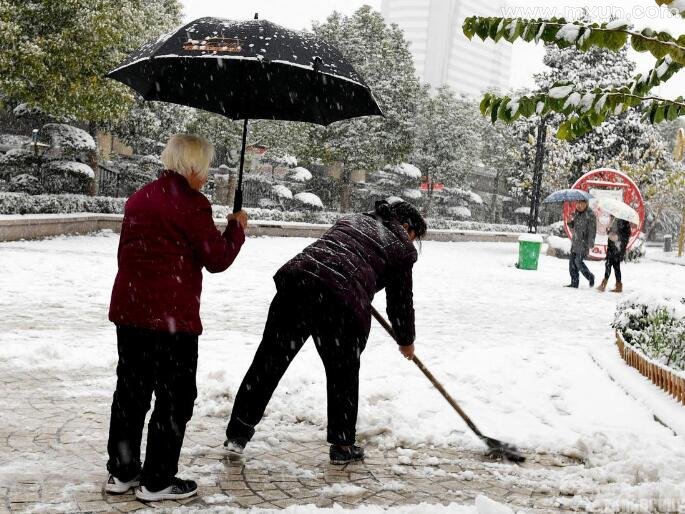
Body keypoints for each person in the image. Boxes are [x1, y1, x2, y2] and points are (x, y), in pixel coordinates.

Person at [224, 200, 427, 464]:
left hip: (298, 282)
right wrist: (406, 340)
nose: (411, 242)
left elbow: (340, 254)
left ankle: (237, 434)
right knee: (343, 372)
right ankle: (342, 445)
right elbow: (400, 301)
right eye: (414, 236)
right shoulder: (401, 246)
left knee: (269, 361)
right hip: (341, 301)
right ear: (407, 227)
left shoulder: (354, 219)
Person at [105, 134, 248, 501]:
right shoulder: (190, 204)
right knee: (174, 398)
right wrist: (236, 229)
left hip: (131, 311)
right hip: (171, 320)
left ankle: (122, 472)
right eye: (206, 168)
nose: (207, 175)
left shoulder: (140, 197)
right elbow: (216, 259)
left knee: (131, 393)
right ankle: (157, 481)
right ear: (194, 166)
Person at [566, 200, 597, 288]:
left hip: (584, 243)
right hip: (575, 241)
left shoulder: (590, 215)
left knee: (578, 261)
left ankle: (590, 276)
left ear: (586, 204)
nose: (579, 205)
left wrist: (591, 243)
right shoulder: (577, 213)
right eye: (578, 203)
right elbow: (575, 226)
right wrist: (569, 222)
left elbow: (592, 230)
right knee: (572, 263)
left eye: (581, 204)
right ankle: (574, 283)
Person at [597, 215, 631, 293]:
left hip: (617, 248)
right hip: (611, 247)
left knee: (615, 267)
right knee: (608, 265)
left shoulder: (624, 221)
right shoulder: (614, 220)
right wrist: (609, 231)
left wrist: (618, 237)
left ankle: (617, 286)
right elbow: (612, 232)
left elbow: (626, 235)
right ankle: (605, 285)